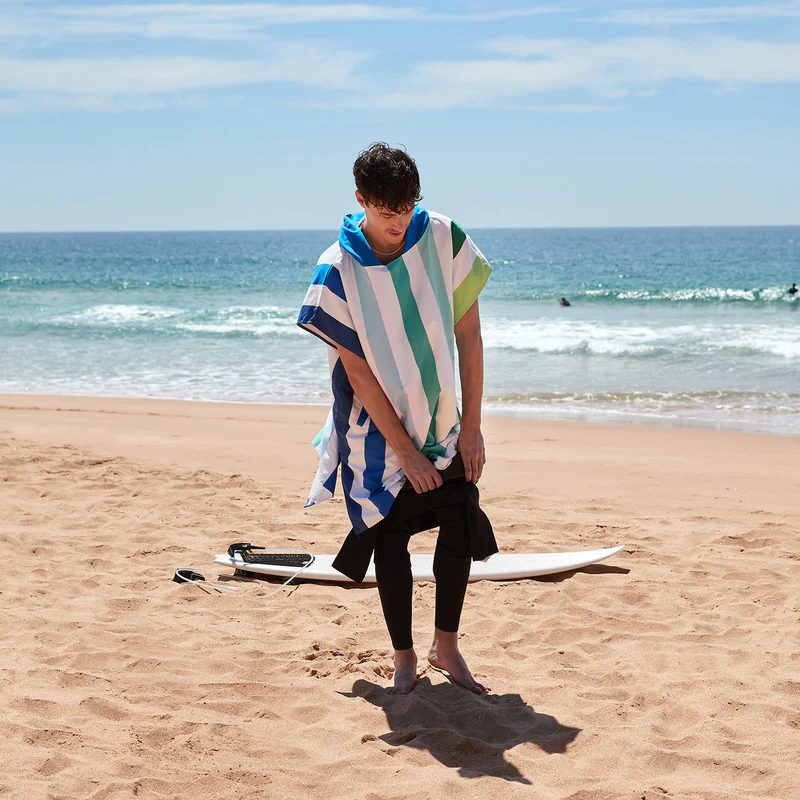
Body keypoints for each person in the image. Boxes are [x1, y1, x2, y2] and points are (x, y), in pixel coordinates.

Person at [297, 143, 498, 695]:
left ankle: (446, 647)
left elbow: (469, 334)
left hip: (440, 419)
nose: (400, 222)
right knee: (389, 535)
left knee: (461, 511)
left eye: (408, 208)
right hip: (373, 431)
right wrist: (405, 453)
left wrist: (473, 425)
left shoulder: (443, 238)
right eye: (387, 212)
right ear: (360, 200)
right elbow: (358, 374)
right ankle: (404, 656)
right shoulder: (336, 271)